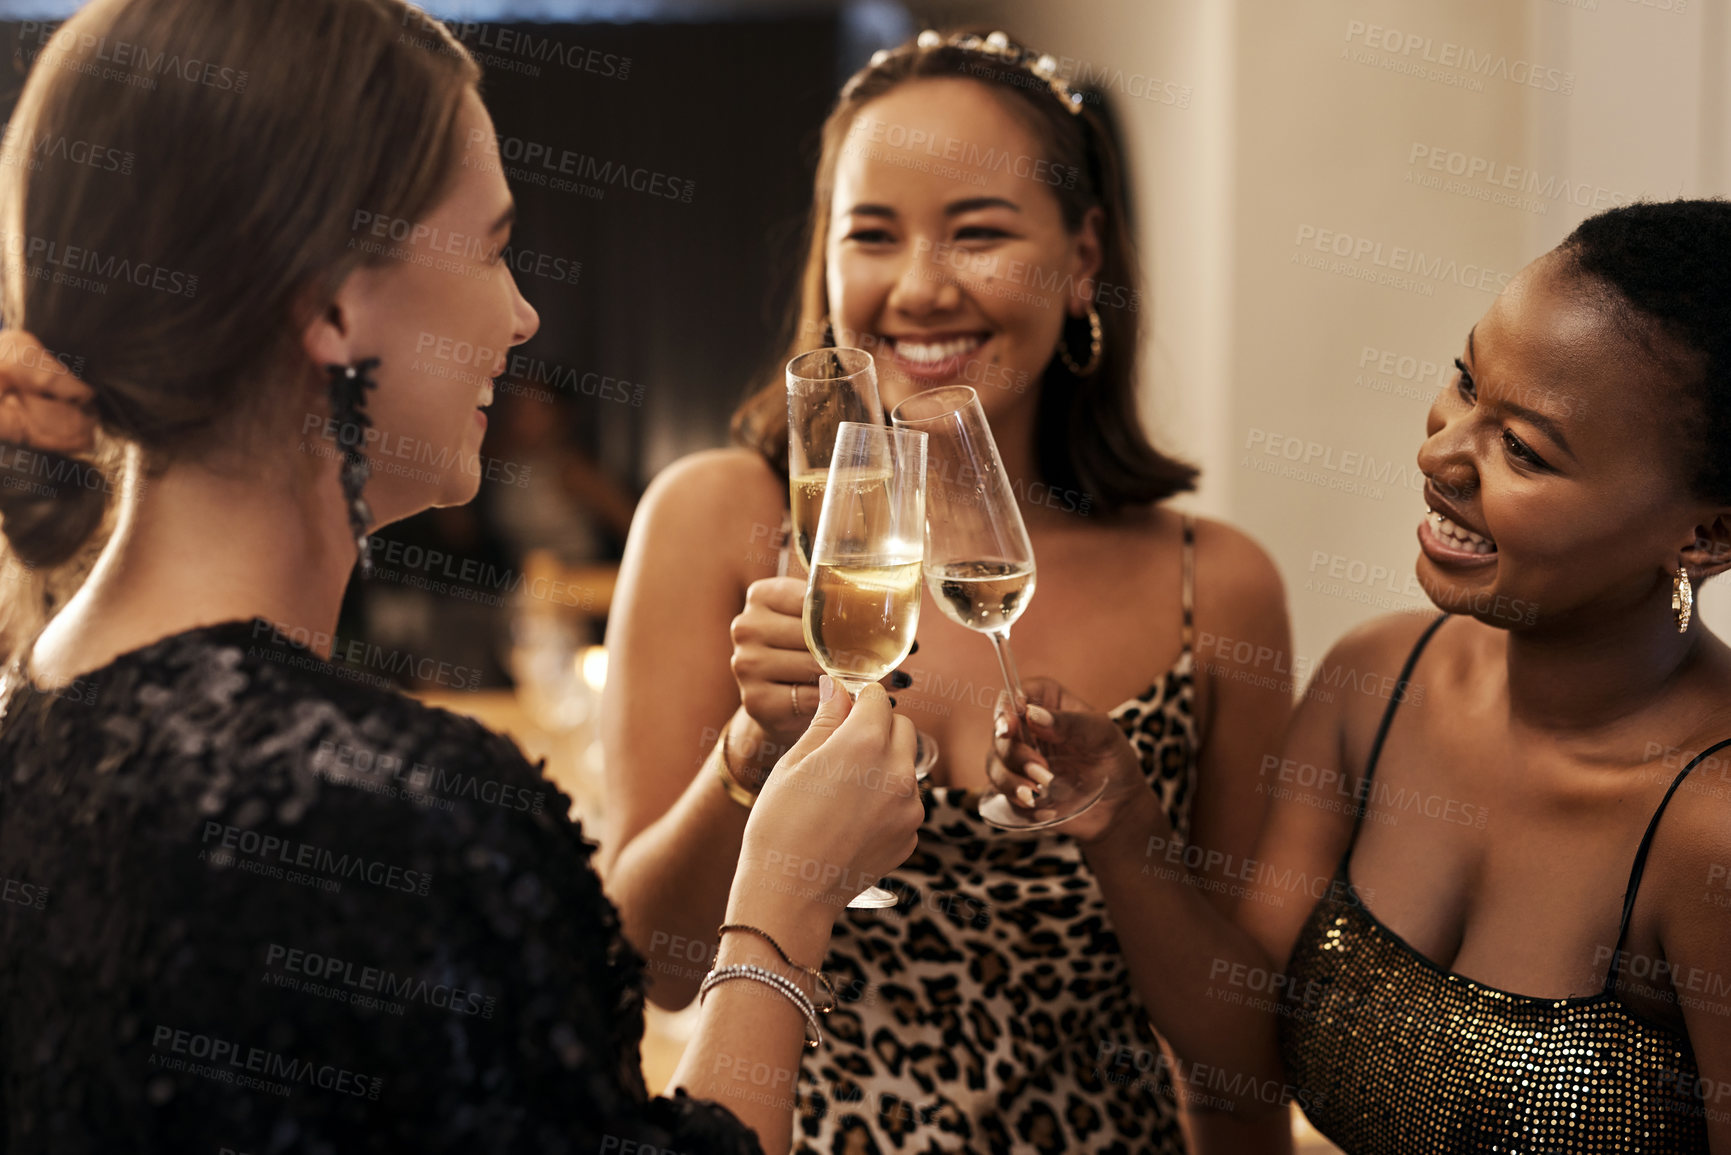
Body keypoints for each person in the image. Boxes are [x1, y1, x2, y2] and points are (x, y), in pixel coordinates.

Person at [0, 1, 922, 1152]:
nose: (523, 313)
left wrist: (746, 760)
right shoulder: (403, 819)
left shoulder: (36, 716)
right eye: (492, 248)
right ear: (333, 300)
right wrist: (789, 899)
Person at [600, 29, 1292, 1154]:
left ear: (1081, 258)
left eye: (977, 234)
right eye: (871, 235)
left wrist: (1124, 833)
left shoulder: (1212, 585)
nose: (920, 288)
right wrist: (750, 751)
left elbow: (1243, 1062)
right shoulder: (718, 523)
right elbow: (651, 973)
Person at [988, 200, 1731, 1153]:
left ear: (1706, 533)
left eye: (1523, 450)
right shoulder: (1372, 682)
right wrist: (1123, 822)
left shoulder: (1709, 825)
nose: (1438, 452)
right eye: (1466, 382)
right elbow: (1244, 1062)